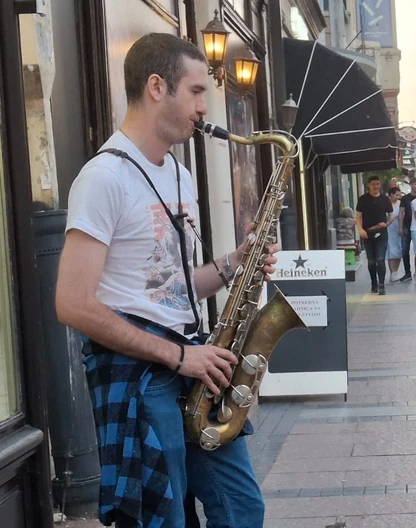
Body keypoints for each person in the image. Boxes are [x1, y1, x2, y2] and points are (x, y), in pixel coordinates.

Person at [55, 33, 274, 528]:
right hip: (140, 380)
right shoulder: (103, 178)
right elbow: (72, 304)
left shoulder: (178, 173)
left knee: (241, 508)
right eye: (196, 91)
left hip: (191, 369)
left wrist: (233, 264)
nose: (203, 106)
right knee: (163, 519)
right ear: (157, 86)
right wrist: (179, 356)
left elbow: (167, 288)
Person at [356, 175, 394, 295]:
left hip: (381, 233)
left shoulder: (385, 199)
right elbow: (358, 217)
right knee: (371, 261)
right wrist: (360, 230)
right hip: (368, 234)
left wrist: (386, 224)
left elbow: (392, 215)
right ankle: (374, 283)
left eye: (377, 184)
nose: (376, 186)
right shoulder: (363, 199)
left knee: (380, 259)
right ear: (368, 185)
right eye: (373, 184)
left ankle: (382, 285)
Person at [397, 177, 416, 282]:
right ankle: (407, 272)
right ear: (411, 185)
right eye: (415, 184)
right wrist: (400, 227)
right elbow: (401, 213)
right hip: (407, 226)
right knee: (405, 250)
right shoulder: (405, 198)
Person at [386, 186, 404, 282]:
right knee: (391, 250)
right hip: (389, 229)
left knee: (399, 250)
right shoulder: (386, 204)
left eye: (399, 195)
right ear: (390, 195)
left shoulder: (401, 204)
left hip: (399, 228)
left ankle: (396, 272)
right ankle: (392, 272)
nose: (398, 197)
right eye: (396, 195)